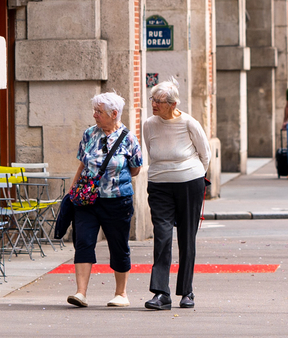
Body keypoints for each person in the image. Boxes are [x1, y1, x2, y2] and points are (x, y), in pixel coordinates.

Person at [67, 92, 144, 308]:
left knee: (118, 245)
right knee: (83, 241)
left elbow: (136, 169)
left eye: (99, 112)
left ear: (114, 114)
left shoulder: (129, 138)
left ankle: (121, 293)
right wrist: (73, 191)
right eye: (94, 111)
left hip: (117, 200)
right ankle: (80, 293)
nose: (94, 115)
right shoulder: (89, 134)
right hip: (88, 200)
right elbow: (82, 165)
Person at [143, 80, 210, 310]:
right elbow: (152, 153)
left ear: (172, 104)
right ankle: (161, 293)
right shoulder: (149, 124)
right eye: (152, 99)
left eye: (159, 102)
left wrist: (197, 176)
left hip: (189, 183)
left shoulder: (189, 122)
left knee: (186, 236)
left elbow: (205, 154)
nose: (154, 105)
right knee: (162, 235)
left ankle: (186, 291)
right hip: (159, 185)